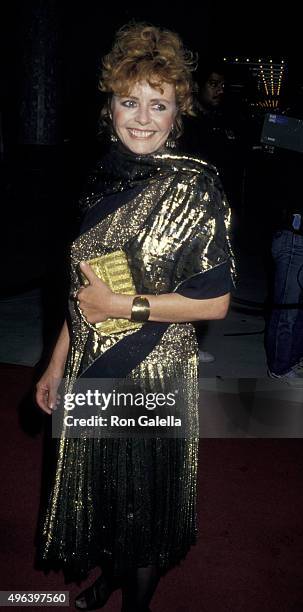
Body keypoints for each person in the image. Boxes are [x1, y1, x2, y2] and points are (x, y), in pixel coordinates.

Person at [35, 23, 234, 612]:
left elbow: (216, 302)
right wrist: (53, 365)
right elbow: (82, 290)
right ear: (110, 106)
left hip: (151, 370)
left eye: (159, 104)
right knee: (103, 492)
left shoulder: (196, 185)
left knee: (142, 505)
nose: (142, 118)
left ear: (178, 113)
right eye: (130, 101)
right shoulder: (98, 177)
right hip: (90, 362)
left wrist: (123, 308)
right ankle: (113, 576)